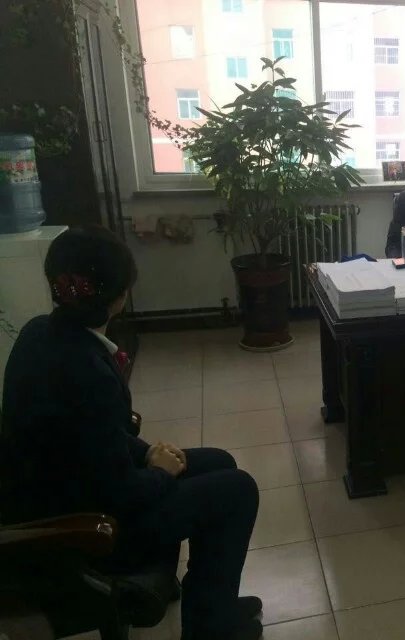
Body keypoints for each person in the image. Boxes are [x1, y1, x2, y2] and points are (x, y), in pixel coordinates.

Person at [0, 227, 262, 640]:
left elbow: (91, 436)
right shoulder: (88, 372)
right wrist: (158, 471)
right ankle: (210, 628)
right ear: (120, 295)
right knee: (237, 490)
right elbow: (119, 492)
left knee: (219, 461)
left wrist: (146, 452)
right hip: (87, 531)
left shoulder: (39, 333)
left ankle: (213, 604)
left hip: (55, 493)